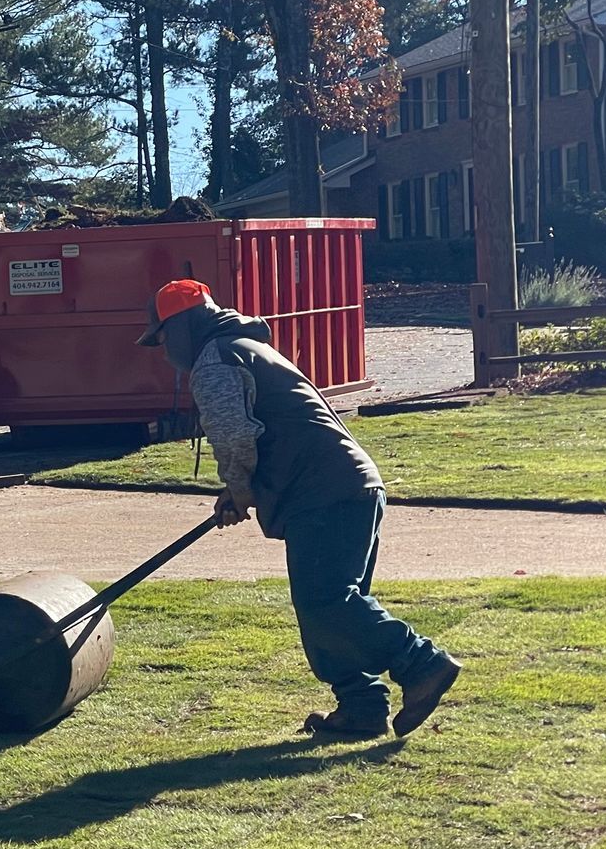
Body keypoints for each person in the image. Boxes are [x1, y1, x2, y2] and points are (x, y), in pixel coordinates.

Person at [137, 278, 460, 740]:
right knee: (325, 609)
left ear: (183, 327)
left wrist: (240, 487)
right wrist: (239, 490)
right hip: (349, 485)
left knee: (328, 602)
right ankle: (362, 708)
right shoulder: (245, 345)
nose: (162, 349)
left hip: (325, 492)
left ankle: (422, 663)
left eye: (163, 336)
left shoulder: (215, 361)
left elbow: (234, 435)